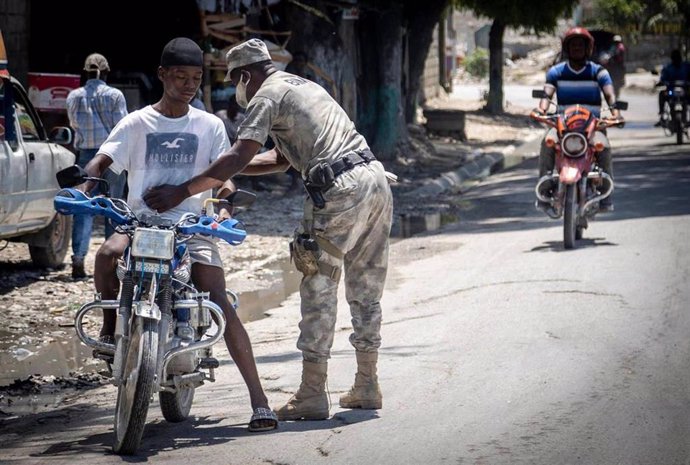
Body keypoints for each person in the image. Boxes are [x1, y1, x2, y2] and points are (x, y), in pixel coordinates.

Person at [143, 38, 394, 421]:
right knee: (366, 288)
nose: (239, 91)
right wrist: (220, 169)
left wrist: (184, 189)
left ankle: (312, 392)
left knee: (318, 286)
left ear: (245, 75)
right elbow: (279, 159)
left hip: (338, 191)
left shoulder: (267, 96)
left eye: (237, 82)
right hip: (375, 181)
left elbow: (241, 152)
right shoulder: (306, 87)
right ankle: (367, 384)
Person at [79, 37, 277, 432]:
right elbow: (102, 160)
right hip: (137, 224)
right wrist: (84, 186)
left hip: (190, 228)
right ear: (162, 76)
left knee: (218, 296)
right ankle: (108, 327)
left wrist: (223, 206)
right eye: (181, 77)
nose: (188, 85)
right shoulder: (136, 123)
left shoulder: (209, 126)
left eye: (196, 78)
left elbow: (226, 180)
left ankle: (259, 400)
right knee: (105, 256)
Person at [536, 27, 620, 213]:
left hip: (593, 127)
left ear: (587, 48)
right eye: (573, 44)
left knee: (603, 147)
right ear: (567, 48)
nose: (576, 48)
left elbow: (609, 94)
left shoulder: (599, 72)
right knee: (547, 142)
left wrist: (615, 113)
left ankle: (607, 196)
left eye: (580, 44)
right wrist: (541, 110)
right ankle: (544, 192)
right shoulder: (555, 72)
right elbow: (546, 94)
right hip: (562, 126)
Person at [66, 53, 128, 279]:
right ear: (107, 72)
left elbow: (73, 125)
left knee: (83, 208)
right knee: (112, 206)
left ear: (86, 71)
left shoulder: (74, 96)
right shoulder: (114, 95)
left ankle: (79, 258)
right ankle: (111, 258)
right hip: (111, 157)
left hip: (85, 158)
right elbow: (123, 129)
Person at [655, 49, 690, 127]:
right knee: (662, 94)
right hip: (671, 91)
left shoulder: (686, 66)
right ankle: (662, 114)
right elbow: (663, 78)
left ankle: (685, 119)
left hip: (684, 91)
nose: (676, 59)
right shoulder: (668, 68)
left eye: (677, 58)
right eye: (675, 58)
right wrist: (661, 82)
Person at [607, 34, 626, 99]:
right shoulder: (614, 47)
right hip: (616, 66)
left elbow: (616, 55)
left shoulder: (620, 47)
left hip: (618, 66)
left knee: (617, 80)